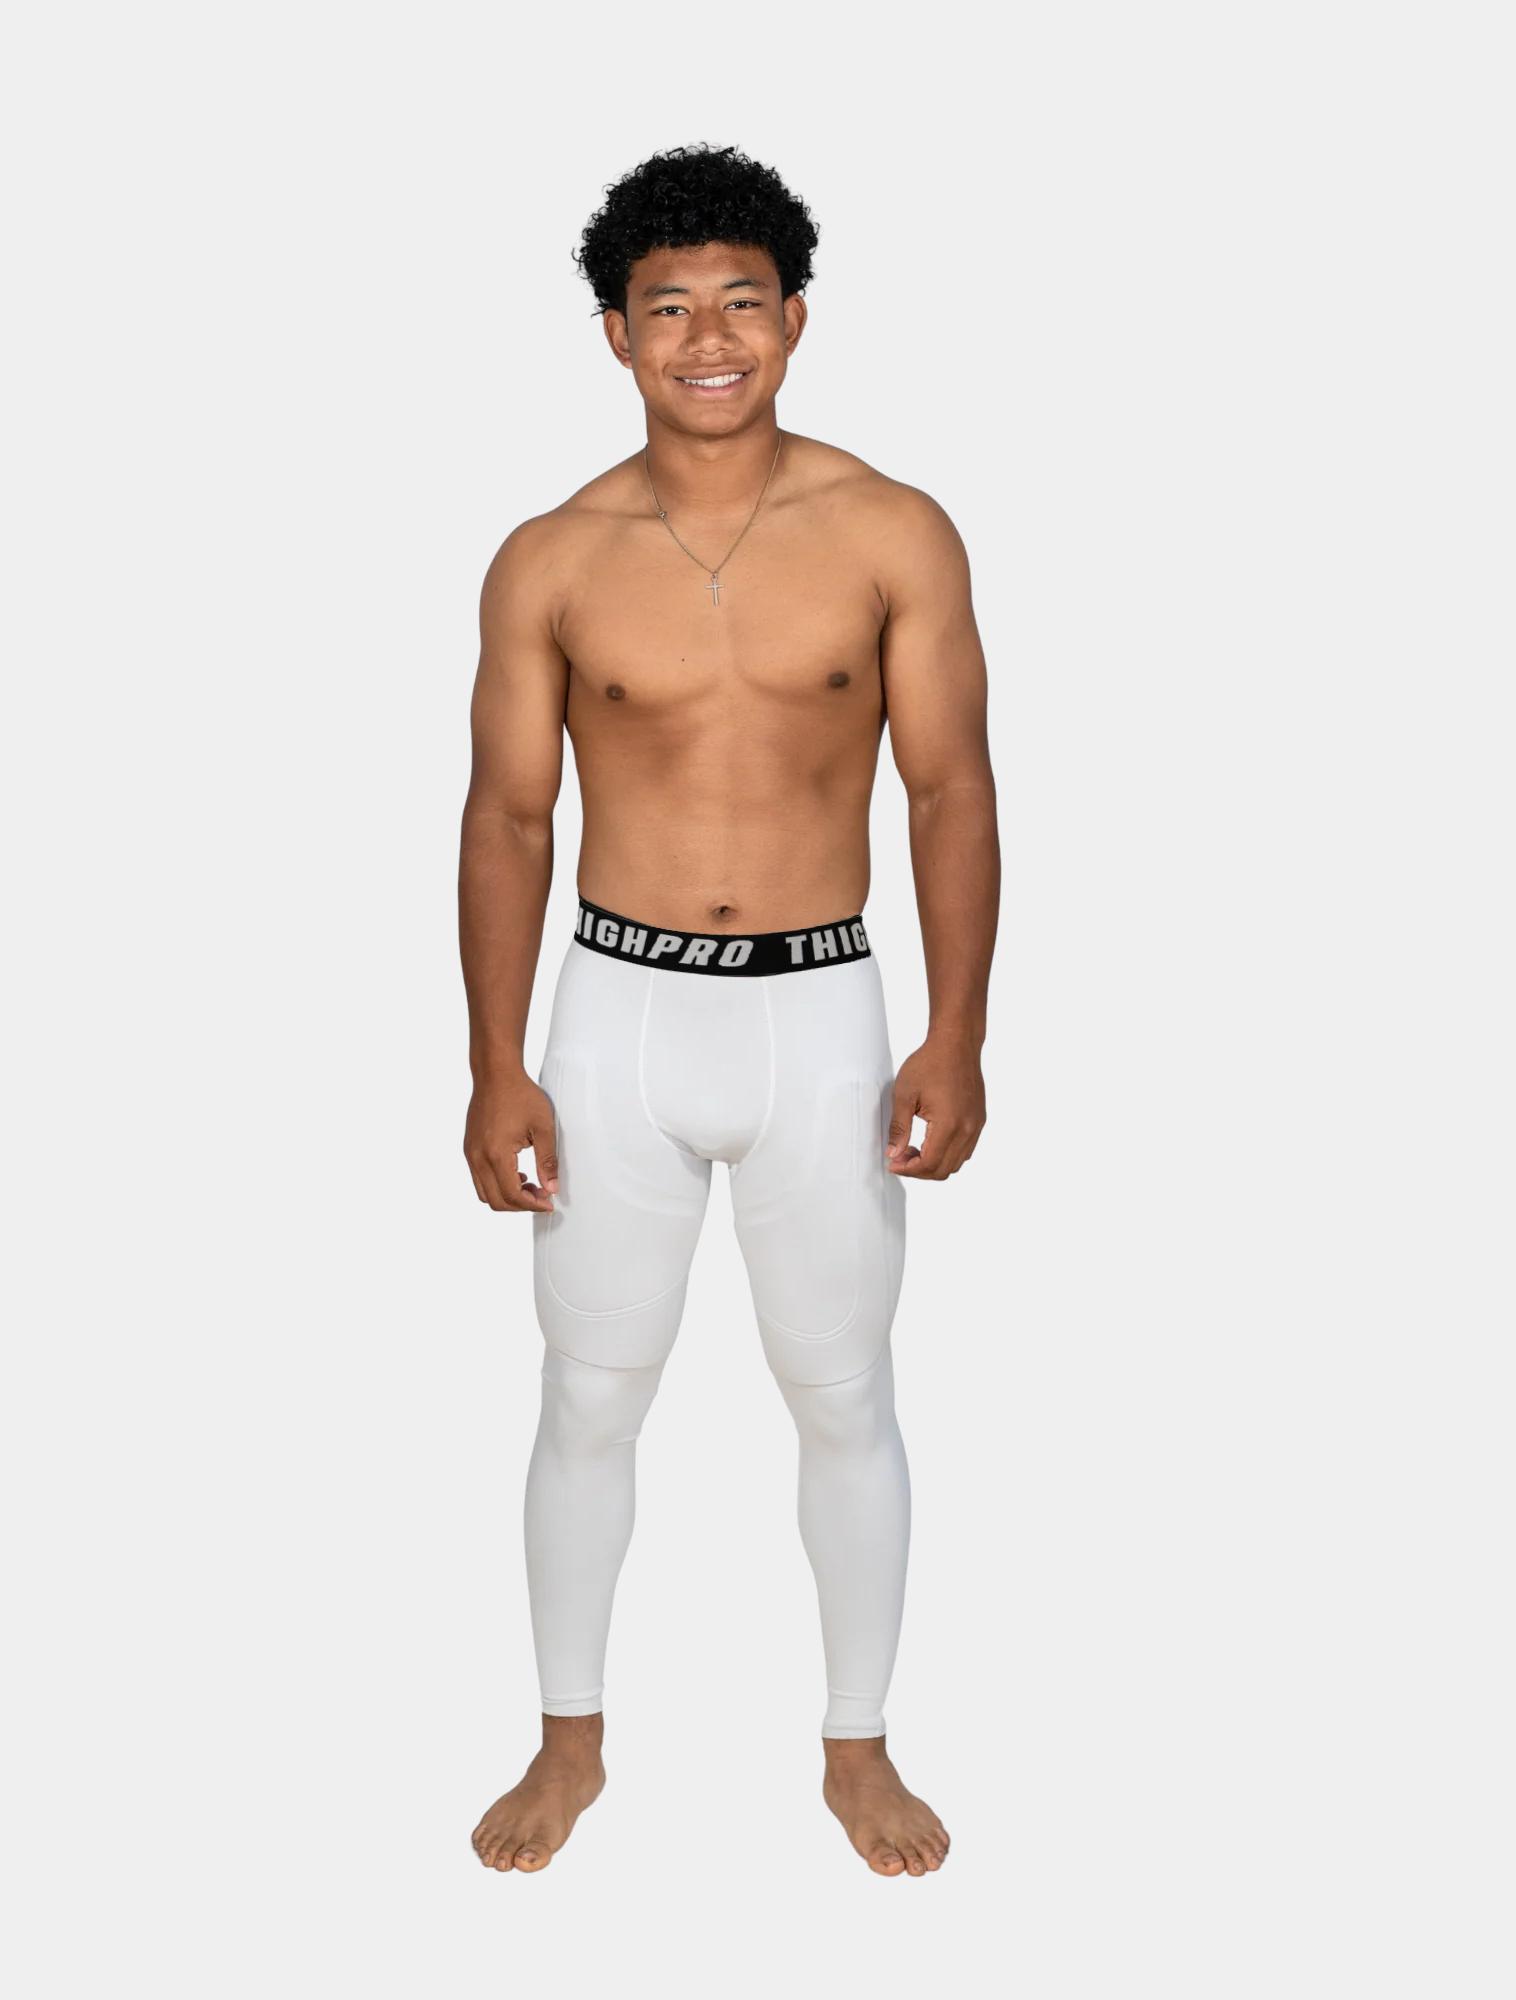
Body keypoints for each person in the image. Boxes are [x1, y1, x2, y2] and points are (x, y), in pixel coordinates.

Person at [461, 145, 999, 1877]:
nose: (710, 339)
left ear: (797, 320)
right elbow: (510, 818)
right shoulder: (551, 557)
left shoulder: (893, 530)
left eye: (742, 304)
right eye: (671, 308)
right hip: (613, 1016)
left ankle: (858, 1746)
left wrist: (958, 1034)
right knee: (587, 1394)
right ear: (618, 335)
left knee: (843, 1393)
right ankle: (569, 1744)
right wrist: (492, 1065)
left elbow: (951, 790)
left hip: (818, 1011)